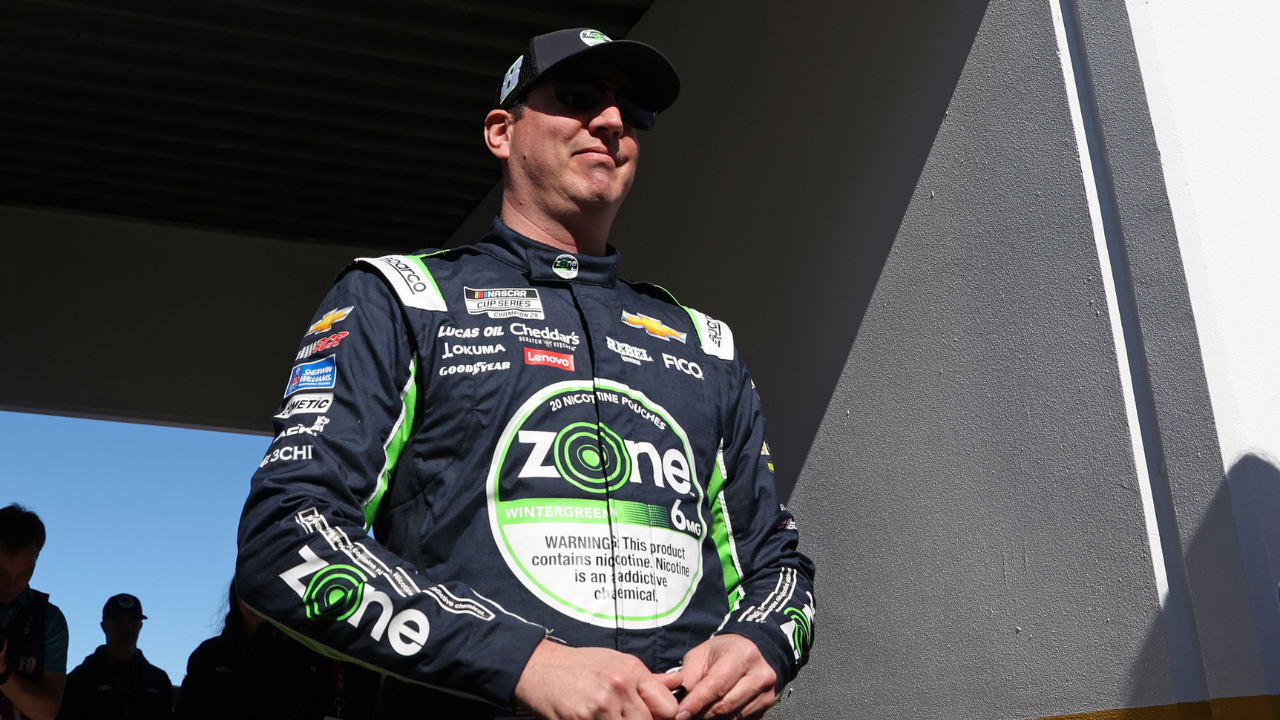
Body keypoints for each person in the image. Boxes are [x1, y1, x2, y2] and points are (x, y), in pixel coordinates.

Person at [236, 27, 816, 720]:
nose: (610, 121)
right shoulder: (402, 298)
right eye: (575, 97)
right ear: (501, 132)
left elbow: (776, 564)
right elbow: (286, 538)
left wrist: (764, 642)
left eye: (633, 113)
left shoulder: (704, 342)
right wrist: (523, 662)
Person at [175, 582, 379, 720]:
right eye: (248, 587)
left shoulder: (302, 654)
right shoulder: (208, 655)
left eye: (264, 589)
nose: (254, 598)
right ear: (235, 591)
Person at [0, 504, 68, 720]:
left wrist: (2, 672)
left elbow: (46, 713)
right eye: (1, 572)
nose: (11, 583)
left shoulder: (48, 620)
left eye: (24, 573)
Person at [59, 595, 172, 720]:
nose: (127, 628)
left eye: (133, 622)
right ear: (103, 627)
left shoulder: (158, 679)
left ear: (140, 626)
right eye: (118, 621)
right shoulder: (81, 678)